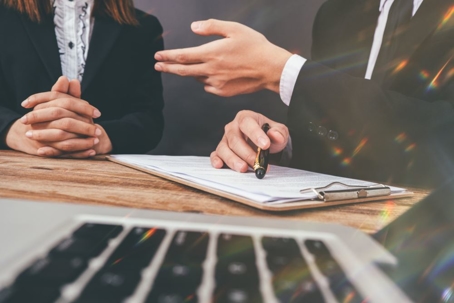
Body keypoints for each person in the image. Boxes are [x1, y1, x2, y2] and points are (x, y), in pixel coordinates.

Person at [154, 0, 454, 187]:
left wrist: (285, 73)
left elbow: (442, 138)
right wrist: (276, 143)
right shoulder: (337, 13)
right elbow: (343, 136)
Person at [0, 0, 164, 158]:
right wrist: (15, 132)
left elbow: (149, 119)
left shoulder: (143, 26)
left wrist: (100, 138)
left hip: (105, 175)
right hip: (17, 171)